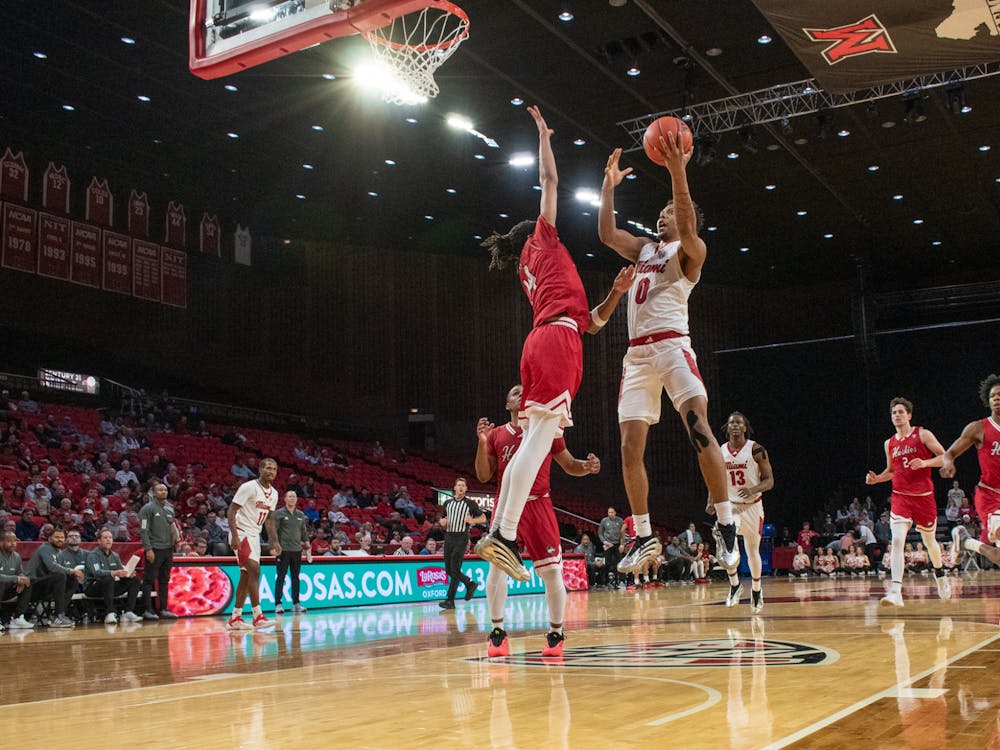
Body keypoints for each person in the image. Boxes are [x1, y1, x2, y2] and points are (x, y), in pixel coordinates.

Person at [474, 105, 633, 582]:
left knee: (537, 439)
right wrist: (544, 137)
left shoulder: (542, 271)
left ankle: (501, 535)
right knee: (538, 439)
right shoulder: (540, 242)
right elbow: (549, 182)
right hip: (555, 344)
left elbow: (594, 323)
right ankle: (502, 534)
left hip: (549, 341)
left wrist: (616, 295)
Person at [598, 135, 739, 577]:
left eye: (670, 212)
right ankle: (642, 537)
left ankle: (726, 523)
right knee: (628, 447)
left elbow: (686, 219)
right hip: (637, 356)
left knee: (700, 430)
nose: (663, 215)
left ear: (686, 219)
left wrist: (678, 170)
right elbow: (606, 233)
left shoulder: (691, 252)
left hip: (674, 346)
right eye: (660, 212)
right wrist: (607, 189)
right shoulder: (643, 249)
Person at [475, 385, 602, 656]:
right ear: (508, 404)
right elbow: (484, 476)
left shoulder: (547, 428)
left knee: (553, 572)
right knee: (496, 568)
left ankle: (555, 634)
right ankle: (497, 633)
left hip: (538, 503)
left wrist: (586, 467)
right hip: (506, 504)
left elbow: (569, 464)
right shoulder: (497, 435)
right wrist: (482, 442)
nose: (520, 394)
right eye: (514, 392)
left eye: (524, 391)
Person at [865, 397, 951, 607]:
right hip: (900, 497)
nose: (897, 415)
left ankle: (940, 573)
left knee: (930, 542)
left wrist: (925, 462)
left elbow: (946, 456)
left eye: (901, 412)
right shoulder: (889, 443)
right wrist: (877, 479)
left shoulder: (922, 434)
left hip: (924, 497)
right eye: (894, 413)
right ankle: (896, 591)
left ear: (909, 415)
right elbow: (891, 472)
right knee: (897, 540)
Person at [927, 374, 1000, 569]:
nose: (996, 398)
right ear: (987, 400)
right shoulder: (978, 428)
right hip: (990, 495)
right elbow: (950, 453)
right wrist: (948, 463)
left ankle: (965, 540)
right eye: (993, 396)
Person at [709, 412, 774, 614]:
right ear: (727, 428)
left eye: (739, 423)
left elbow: (769, 481)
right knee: (726, 545)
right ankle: (735, 585)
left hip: (753, 505)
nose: (735, 426)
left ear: (745, 427)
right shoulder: (720, 451)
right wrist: (710, 500)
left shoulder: (756, 449)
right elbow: (714, 478)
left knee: (752, 550)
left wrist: (753, 489)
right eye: (731, 423)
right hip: (730, 505)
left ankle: (756, 590)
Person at [226, 458, 281, 630]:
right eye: (268, 468)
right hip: (241, 533)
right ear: (260, 469)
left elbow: (270, 520)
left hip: (254, 536)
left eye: (274, 469)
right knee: (255, 570)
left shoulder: (274, 494)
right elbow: (231, 511)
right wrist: (234, 536)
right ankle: (258, 616)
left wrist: (275, 542)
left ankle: (235, 618)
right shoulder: (249, 487)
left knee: (246, 576)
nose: (271, 471)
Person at [438, 477, 486, 610]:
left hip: (461, 537)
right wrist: (441, 522)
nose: (460, 487)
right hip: (449, 537)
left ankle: (454, 596)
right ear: (454, 487)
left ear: (465, 489)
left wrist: (473, 520)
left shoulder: (470, 503)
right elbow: (443, 519)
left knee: (454, 568)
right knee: (450, 570)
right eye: (458, 485)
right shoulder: (447, 503)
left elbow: (483, 517)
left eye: (463, 485)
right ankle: (466, 587)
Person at [26, 527, 83, 628]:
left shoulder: (59, 552)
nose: (60, 539)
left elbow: (64, 568)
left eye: (62, 537)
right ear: (49, 539)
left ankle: (58, 615)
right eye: (56, 537)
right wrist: (72, 570)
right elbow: (52, 567)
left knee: (73, 580)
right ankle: (58, 616)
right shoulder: (45, 548)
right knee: (60, 575)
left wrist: (73, 573)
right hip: (32, 586)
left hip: (47, 586)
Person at [138, 483, 179, 620]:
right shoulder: (147, 509)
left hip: (168, 549)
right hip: (154, 548)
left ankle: (164, 609)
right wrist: (148, 549)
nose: (163, 492)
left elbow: (172, 527)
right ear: (154, 493)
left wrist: (175, 541)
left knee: (164, 580)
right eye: (160, 490)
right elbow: (144, 530)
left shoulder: (170, 508)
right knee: (149, 580)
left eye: (165, 490)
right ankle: (147, 610)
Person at [85, 529, 141, 624]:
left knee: (134, 580)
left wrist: (128, 573)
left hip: (109, 587)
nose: (108, 540)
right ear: (99, 541)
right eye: (105, 538)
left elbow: (120, 572)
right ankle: (110, 613)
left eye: (110, 538)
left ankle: (128, 611)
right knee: (108, 578)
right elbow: (96, 572)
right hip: (93, 587)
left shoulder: (115, 555)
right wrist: (114, 573)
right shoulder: (93, 555)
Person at [274, 490, 310, 615]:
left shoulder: (300, 514)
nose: (292, 498)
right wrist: (275, 546)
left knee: (296, 578)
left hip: (297, 551)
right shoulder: (278, 513)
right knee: (281, 577)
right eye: (289, 496)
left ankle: (296, 604)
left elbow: (303, 532)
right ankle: (278, 604)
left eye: (294, 496)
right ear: (284, 499)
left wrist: (307, 543)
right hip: (283, 550)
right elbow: (274, 532)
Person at [0, 531, 34, 629]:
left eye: (15, 541)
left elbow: (20, 572)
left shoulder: (16, 556)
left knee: (27, 582)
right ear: (1, 542)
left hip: (8, 591)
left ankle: (18, 618)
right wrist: (16, 579)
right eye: (9, 541)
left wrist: (22, 580)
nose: (13, 543)